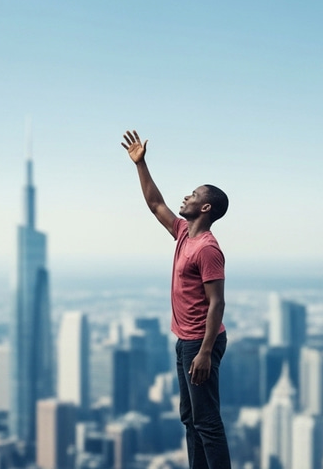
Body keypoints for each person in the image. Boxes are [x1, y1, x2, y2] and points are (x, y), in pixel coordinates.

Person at [121, 129, 231, 469]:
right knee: (190, 417)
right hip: (186, 341)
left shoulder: (208, 248)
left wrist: (205, 353)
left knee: (207, 421)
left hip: (201, 342)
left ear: (205, 207)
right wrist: (141, 164)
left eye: (193, 195)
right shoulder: (184, 233)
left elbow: (217, 304)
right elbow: (156, 204)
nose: (186, 197)